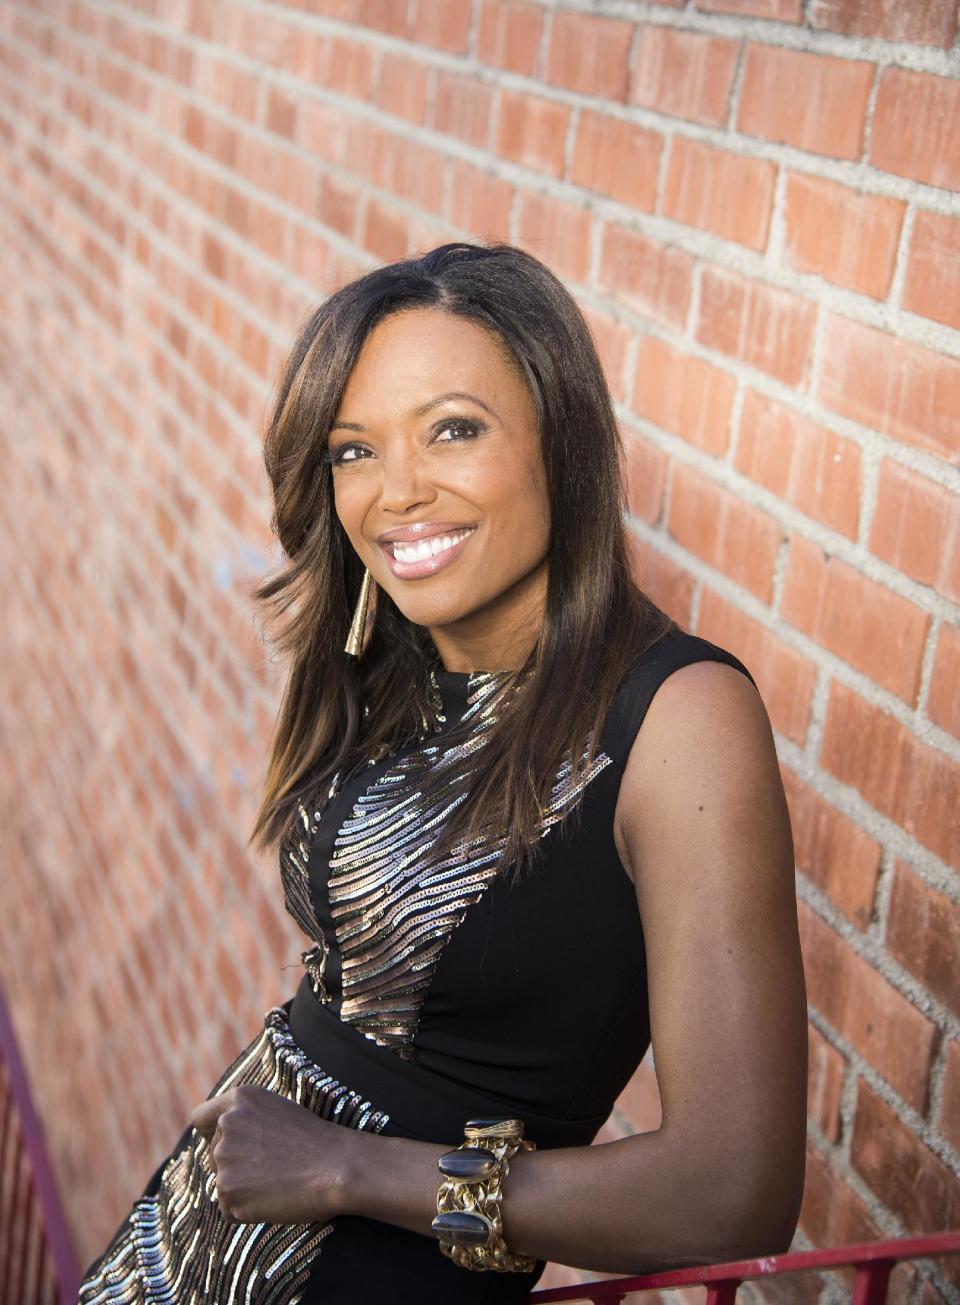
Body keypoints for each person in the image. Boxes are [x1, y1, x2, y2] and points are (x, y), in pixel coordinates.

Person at [77, 240, 807, 1305]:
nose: (397, 494)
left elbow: (734, 1190)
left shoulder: (679, 718)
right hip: (192, 1245)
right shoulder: (399, 656)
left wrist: (349, 1168)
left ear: (562, 441)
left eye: (454, 430)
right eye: (352, 451)